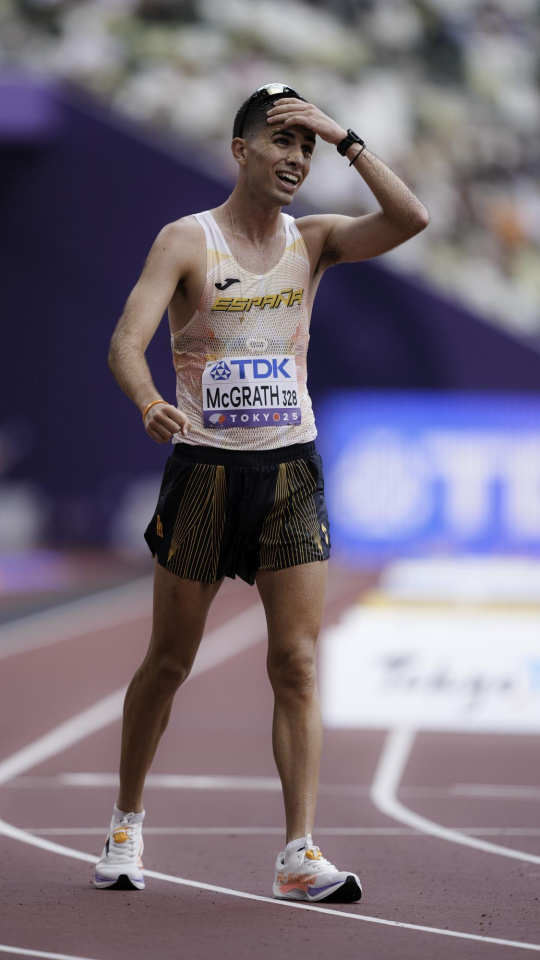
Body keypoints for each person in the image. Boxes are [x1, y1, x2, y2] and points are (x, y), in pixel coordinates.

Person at [94, 82, 429, 901]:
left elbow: (412, 219)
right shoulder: (186, 241)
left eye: (305, 149)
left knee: (298, 663)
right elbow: (125, 342)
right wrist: (147, 401)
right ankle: (125, 825)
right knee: (169, 662)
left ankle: (298, 853)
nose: (296, 159)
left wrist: (345, 136)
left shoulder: (313, 241)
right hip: (205, 472)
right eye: (282, 143)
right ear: (240, 150)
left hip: (291, 471)